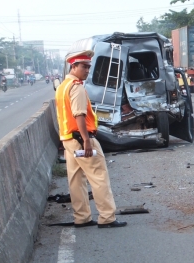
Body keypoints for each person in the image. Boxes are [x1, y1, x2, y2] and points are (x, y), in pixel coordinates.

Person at [55, 50, 127, 229]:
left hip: (68, 140)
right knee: (99, 176)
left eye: (88, 67)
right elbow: (79, 115)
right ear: (74, 66)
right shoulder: (76, 87)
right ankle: (107, 218)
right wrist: (86, 140)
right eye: (84, 67)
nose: (87, 70)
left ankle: (82, 217)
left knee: (76, 180)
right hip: (81, 139)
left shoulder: (63, 86)